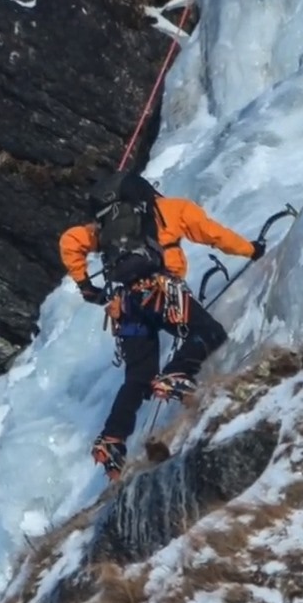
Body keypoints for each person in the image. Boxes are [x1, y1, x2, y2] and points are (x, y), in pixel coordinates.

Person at [60, 171, 264, 478]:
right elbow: (214, 234)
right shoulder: (171, 209)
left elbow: (69, 241)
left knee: (138, 376)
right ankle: (177, 374)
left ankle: (112, 440)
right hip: (161, 296)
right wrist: (250, 249)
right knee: (209, 333)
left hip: (127, 306)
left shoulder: (103, 228)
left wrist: (87, 287)